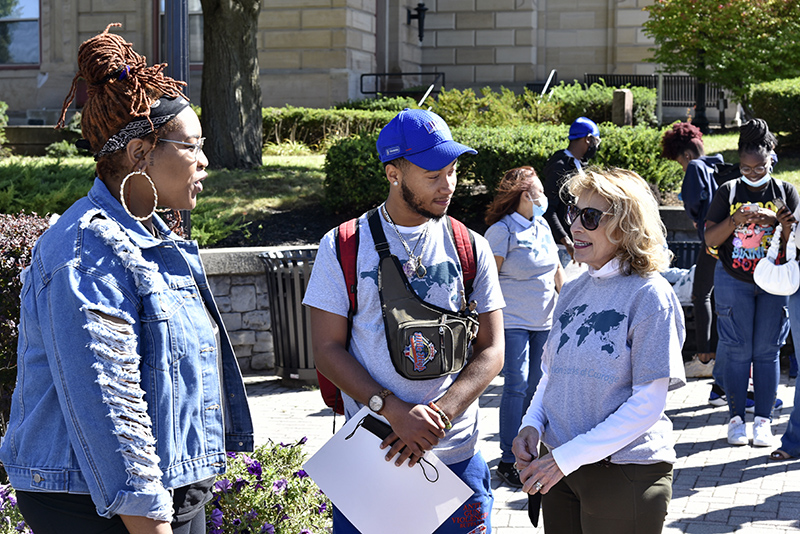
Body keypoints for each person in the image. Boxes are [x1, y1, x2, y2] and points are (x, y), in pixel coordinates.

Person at [0, 25, 254, 534]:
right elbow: (109, 401)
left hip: (168, 490)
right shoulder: (86, 252)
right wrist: (150, 520)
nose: (205, 160)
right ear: (141, 153)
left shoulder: (156, 237)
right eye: (192, 145)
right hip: (97, 505)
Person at [303, 108, 505, 533]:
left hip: (457, 460)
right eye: (433, 174)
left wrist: (438, 417)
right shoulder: (342, 245)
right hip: (375, 459)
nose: (447, 185)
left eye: (452, 171)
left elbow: (492, 349)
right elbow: (326, 350)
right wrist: (394, 412)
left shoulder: (472, 246)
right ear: (394, 173)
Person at [512, 167, 686, 534]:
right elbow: (550, 375)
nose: (574, 226)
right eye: (574, 213)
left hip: (623, 472)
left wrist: (563, 459)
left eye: (589, 217)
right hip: (560, 469)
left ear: (627, 226)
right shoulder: (574, 288)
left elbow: (648, 405)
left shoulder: (650, 295)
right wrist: (531, 423)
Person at [704, 118, 799, 447]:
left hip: (775, 282)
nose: (753, 173)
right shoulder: (727, 191)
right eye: (746, 168)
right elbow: (709, 239)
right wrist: (735, 219)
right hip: (733, 278)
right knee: (737, 350)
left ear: (771, 157)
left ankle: (763, 421)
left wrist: (779, 222)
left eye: (759, 167)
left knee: (767, 351)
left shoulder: (786, 191)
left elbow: (796, 242)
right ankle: (735, 420)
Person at [483, 167, 564, 488]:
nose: (544, 198)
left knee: (536, 387)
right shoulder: (501, 232)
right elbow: (486, 283)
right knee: (515, 386)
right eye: (539, 192)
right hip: (513, 321)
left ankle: (528, 450)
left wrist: (569, 301)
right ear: (523, 196)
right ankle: (507, 458)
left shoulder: (542, 224)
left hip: (545, 320)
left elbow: (557, 268)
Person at [661, 123, 722, 384]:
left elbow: (694, 201)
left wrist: (698, 219)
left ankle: (706, 358)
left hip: (712, 243)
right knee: (718, 298)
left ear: (685, 155)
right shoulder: (717, 164)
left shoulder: (695, 167)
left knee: (701, 295)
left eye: (679, 163)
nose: (682, 167)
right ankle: (714, 357)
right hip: (729, 243)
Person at [542, 117, 601, 268]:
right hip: (563, 247)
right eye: (596, 142)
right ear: (588, 139)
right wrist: (566, 241)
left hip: (577, 242)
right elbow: (549, 209)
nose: (596, 147)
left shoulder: (578, 164)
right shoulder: (559, 165)